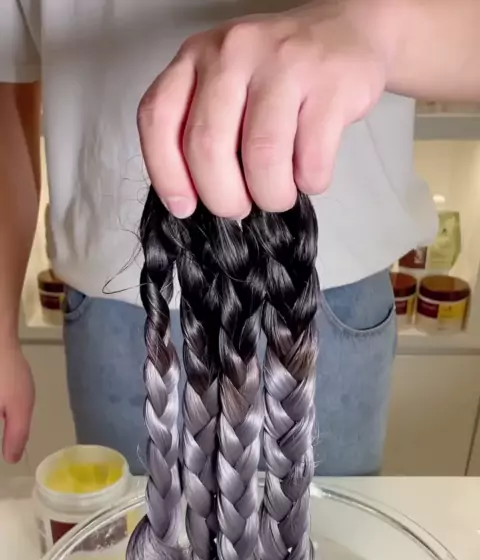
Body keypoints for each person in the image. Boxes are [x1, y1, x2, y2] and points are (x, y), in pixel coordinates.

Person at [0, 0, 478, 476]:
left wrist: (380, 29)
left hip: (327, 301)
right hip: (116, 307)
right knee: (127, 523)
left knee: (332, 524)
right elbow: (7, 87)